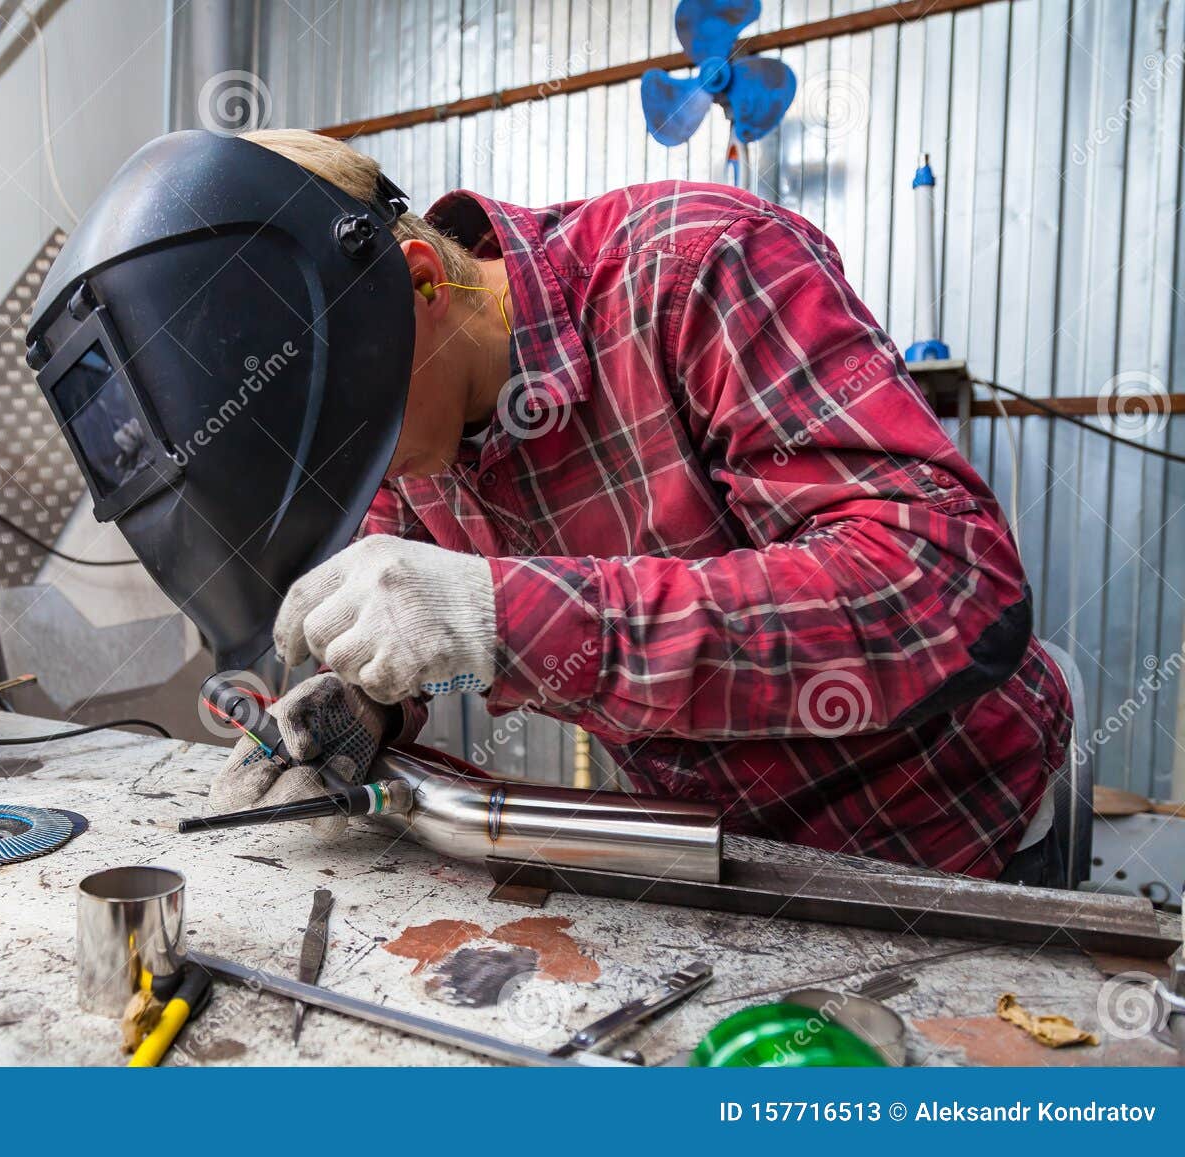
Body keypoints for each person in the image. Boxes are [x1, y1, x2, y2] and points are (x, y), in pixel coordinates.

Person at [207, 129, 1072, 884]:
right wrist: (366, 706)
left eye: (352, 437)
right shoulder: (407, 420)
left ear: (423, 282)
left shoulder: (700, 264)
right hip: (719, 857)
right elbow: (417, 626)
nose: (358, 477)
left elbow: (950, 586)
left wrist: (508, 619)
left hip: (953, 838)